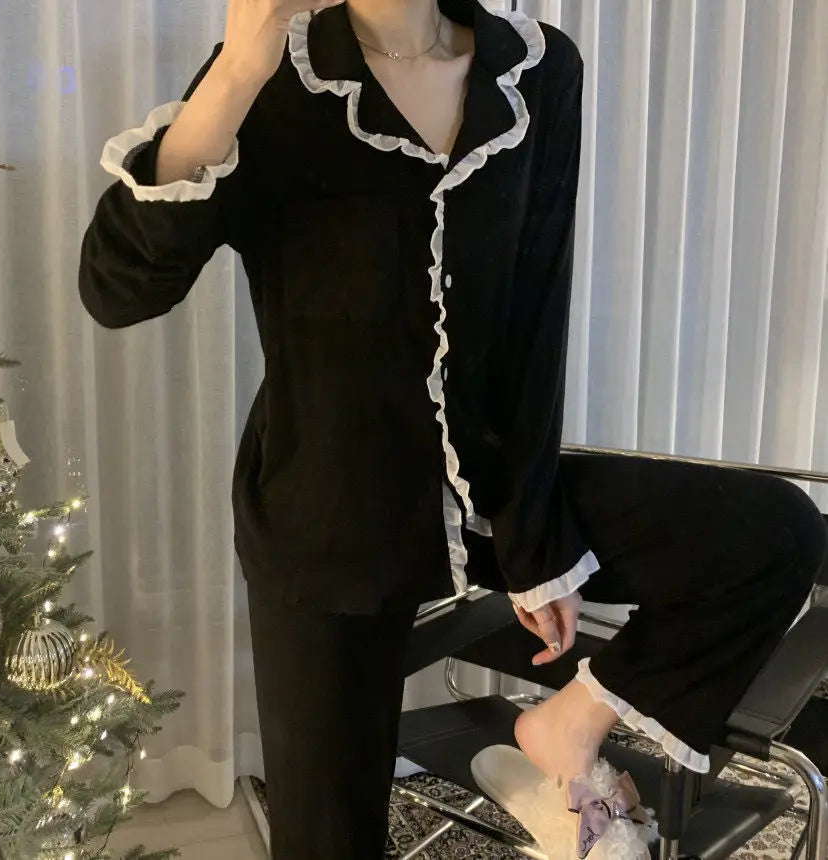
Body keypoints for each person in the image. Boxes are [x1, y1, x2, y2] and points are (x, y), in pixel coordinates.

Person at [78, 0, 827, 856]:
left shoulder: (536, 70)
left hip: (489, 494)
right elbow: (118, 290)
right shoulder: (275, 75)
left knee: (773, 533)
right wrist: (239, 71)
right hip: (327, 511)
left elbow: (536, 317)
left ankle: (564, 727)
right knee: (327, 839)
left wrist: (537, 545)